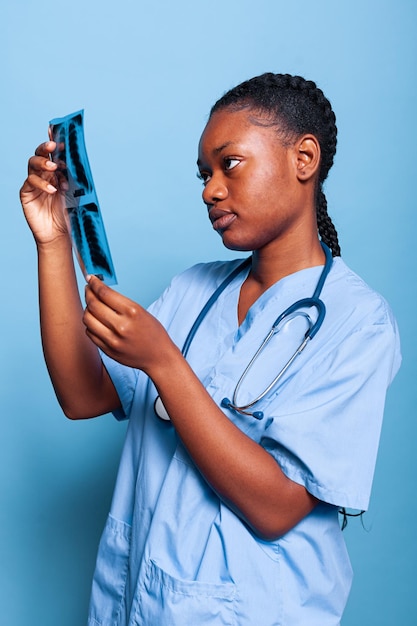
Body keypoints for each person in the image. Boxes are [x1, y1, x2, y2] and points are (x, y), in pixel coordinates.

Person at [20, 73, 401, 626]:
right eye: (204, 175)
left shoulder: (357, 323)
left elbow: (276, 508)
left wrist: (164, 362)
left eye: (231, 164)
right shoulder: (193, 290)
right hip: (138, 605)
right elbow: (82, 395)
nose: (210, 190)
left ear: (304, 158)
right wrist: (53, 240)